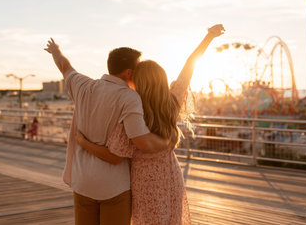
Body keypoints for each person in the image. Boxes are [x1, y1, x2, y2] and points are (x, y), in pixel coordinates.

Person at [76, 24, 225, 224]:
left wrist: (82, 142)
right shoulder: (171, 103)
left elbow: (113, 155)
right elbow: (189, 67)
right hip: (170, 174)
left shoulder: (133, 113)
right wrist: (209, 37)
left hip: (144, 181)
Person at [44, 39, 172, 225]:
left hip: (82, 182)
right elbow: (141, 141)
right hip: (113, 187)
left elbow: (65, 67)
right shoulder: (129, 98)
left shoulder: (82, 85)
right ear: (129, 72)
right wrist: (167, 142)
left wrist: (56, 51)